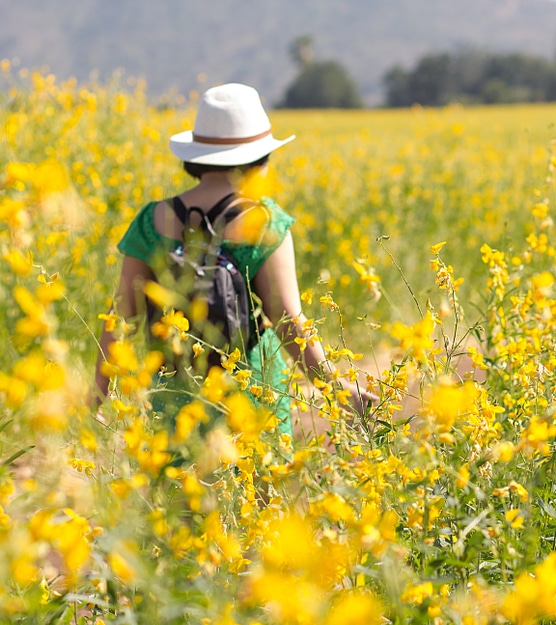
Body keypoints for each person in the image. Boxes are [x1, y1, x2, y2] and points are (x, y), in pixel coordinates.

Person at [93, 82, 370, 439]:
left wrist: (96, 395)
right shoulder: (264, 221)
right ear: (259, 158)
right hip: (252, 394)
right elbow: (288, 321)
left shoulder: (152, 220)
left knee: (181, 487)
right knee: (256, 491)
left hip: (175, 394)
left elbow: (121, 316)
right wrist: (336, 390)